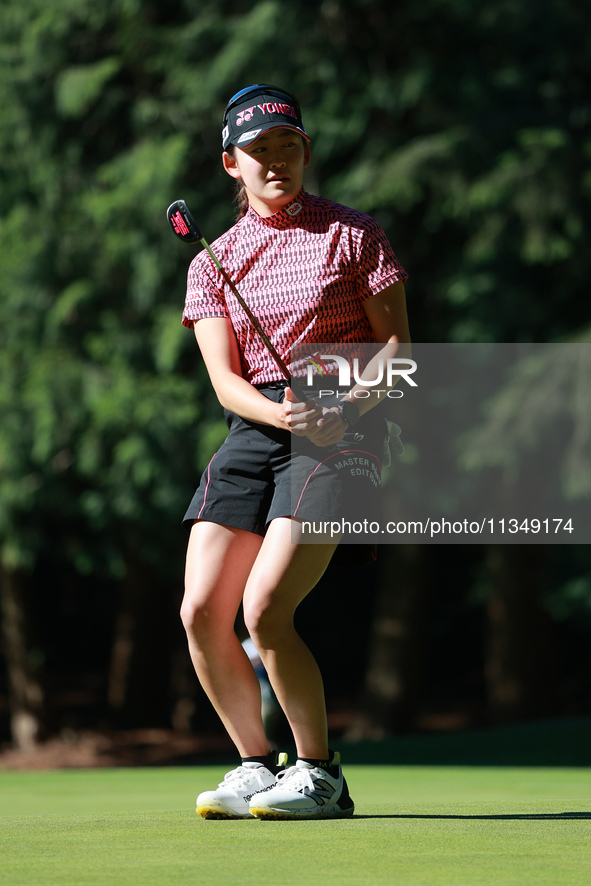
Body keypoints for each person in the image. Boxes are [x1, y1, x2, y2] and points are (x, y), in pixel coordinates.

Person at [179, 84, 411, 820]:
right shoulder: (212, 259)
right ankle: (255, 763)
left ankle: (320, 773)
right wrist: (280, 412)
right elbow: (224, 380)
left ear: (305, 150)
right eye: (259, 151)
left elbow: (398, 352)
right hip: (259, 425)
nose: (276, 160)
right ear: (231, 164)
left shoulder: (353, 234)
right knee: (199, 610)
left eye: (288, 145)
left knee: (266, 608)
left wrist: (337, 405)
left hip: (342, 425)